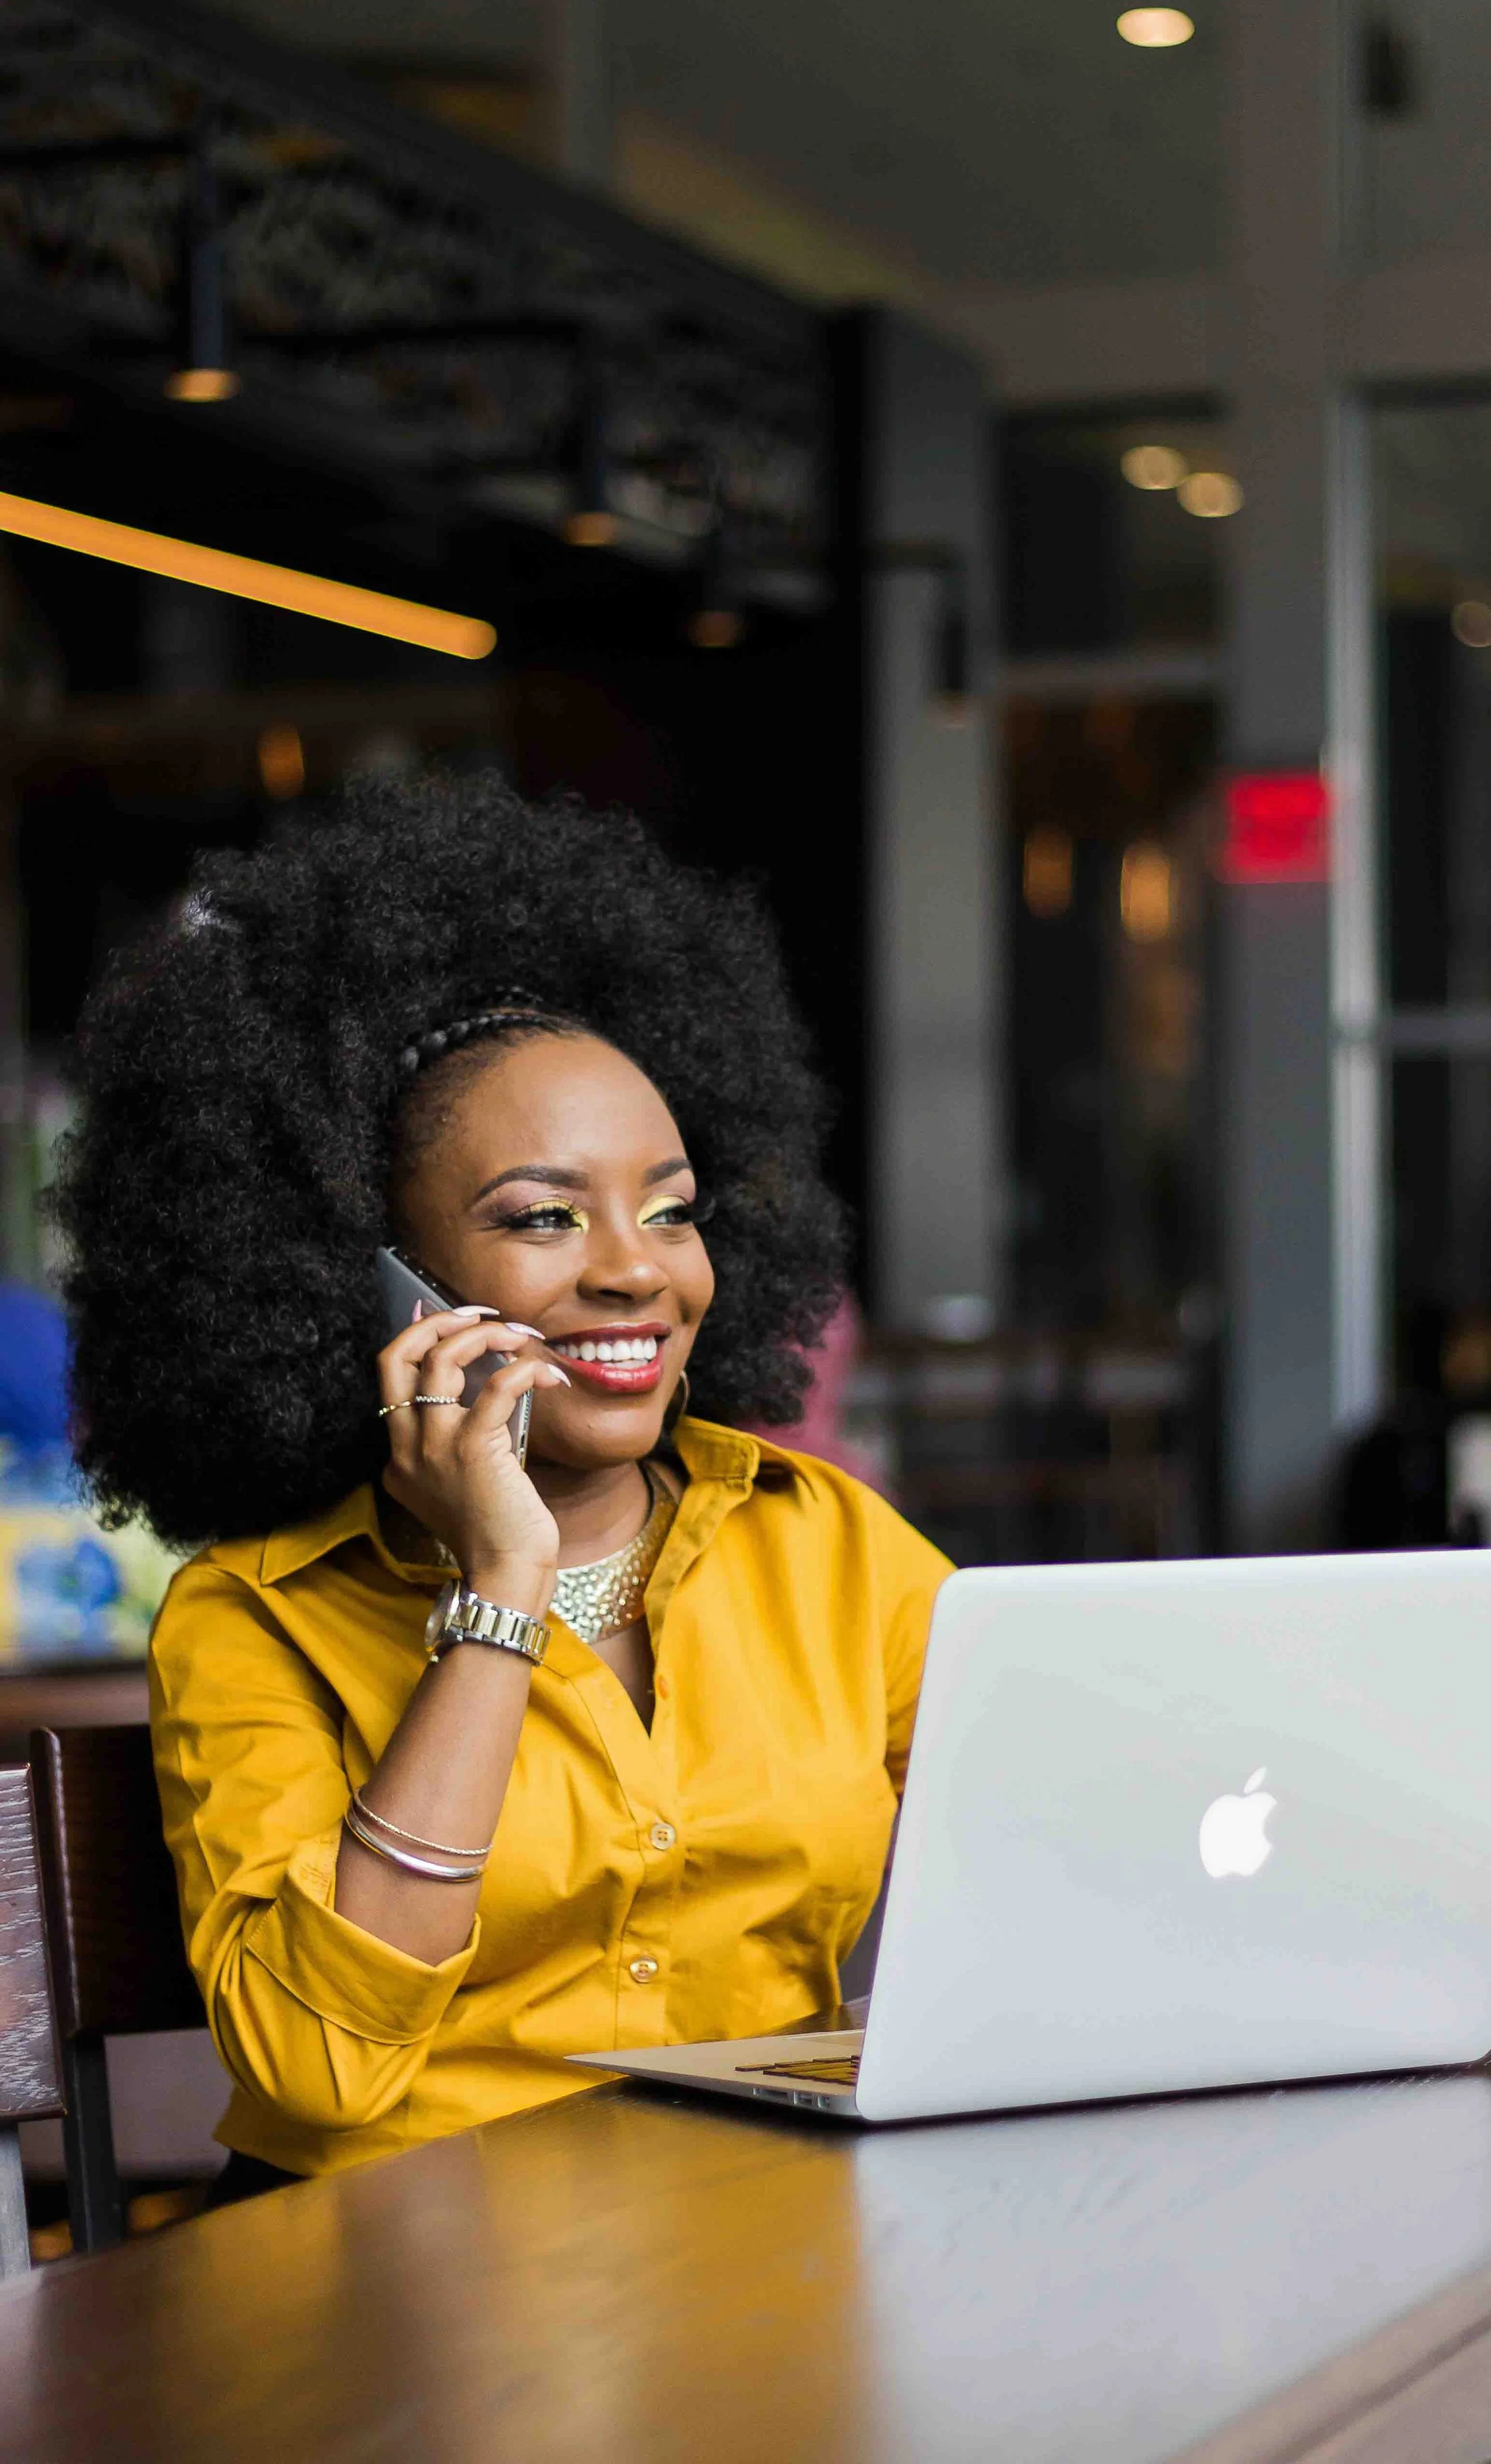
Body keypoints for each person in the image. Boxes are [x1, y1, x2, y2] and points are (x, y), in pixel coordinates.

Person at [56, 774, 950, 2195]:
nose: (637, 1269)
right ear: (356, 1276)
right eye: (542, 1216)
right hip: (393, 2303)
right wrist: (500, 1590)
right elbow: (313, 2067)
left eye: (670, 1208)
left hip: (753, 2253)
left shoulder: (830, 1546)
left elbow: (1055, 1871)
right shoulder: (255, 1618)